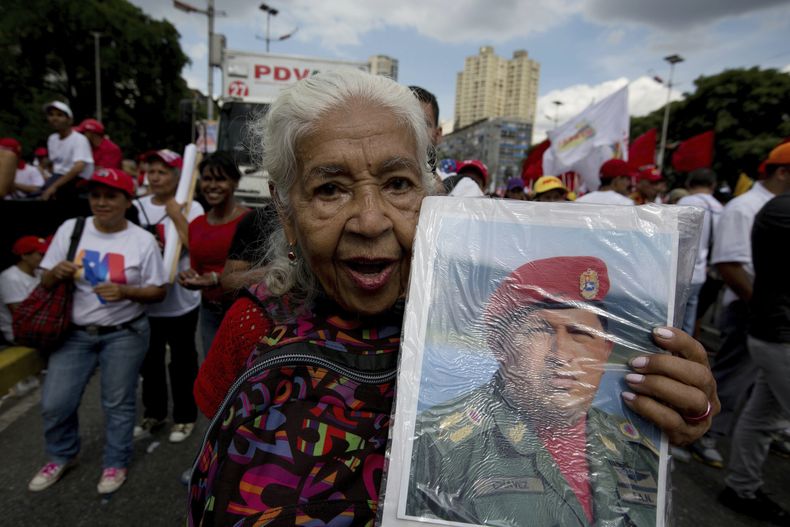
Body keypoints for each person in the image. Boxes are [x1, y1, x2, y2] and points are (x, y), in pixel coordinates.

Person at [186, 69, 718, 527]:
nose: (371, 221)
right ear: (286, 209)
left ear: (431, 191)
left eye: (397, 184)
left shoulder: (460, 315)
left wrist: (666, 419)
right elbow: (215, 469)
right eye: (330, 189)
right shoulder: (250, 326)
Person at [406, 256, 679, 526]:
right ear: (500, 345)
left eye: (580, 333)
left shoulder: (635, 450)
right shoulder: (436, 444)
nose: (561, 354)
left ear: (606, 351)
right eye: (540, 330)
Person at [28, 167, 166, 494]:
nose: (101, 202)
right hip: (75, 334)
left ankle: (115, 462)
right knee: (55, 402)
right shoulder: (71, 229)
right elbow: (44, 280)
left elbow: (159, 290)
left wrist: (126, 292)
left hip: (125, 332)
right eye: (95, 195)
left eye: (110, 196)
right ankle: (62, 454)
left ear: (127, 200)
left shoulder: (142, 240)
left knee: (118, 403)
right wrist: (56, 272)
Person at [691, 142, 790, 467]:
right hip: (752, 309)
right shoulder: (744, 207)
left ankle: (743, 477)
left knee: (758, 394)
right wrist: (760, 305)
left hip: (765, 311)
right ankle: (702, 433)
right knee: (730, 381)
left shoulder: (769, 204)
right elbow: (730, 263)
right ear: (782, 171)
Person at [719, 192, 790, 525]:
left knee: (763, 416)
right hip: (779, 332)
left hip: (773, 328)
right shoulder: (777, 209)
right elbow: (728, 264)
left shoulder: (773, 207)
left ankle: (742, 486)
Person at [133, 150, 204, 442]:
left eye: (162, 172)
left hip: (180, 304)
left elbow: (196, 247)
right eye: (151, 171)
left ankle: (185, 417)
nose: (155, 177)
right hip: (146, 302)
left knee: (182, 360)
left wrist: (177, 216)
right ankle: (154, 413)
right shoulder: (136, 206)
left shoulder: (193, 208)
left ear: (179, 176)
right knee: (149, 360)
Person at [178, 152, 249, 354]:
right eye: (207, 179)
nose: (212, 186)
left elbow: (262, 272)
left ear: (235, 182)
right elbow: (197, 270)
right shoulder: (196, 226)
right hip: (209, 312)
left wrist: (218, 279)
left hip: (241, 311)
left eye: (220, 179)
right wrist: (189, 278)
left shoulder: (249, 222)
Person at [676, 169, 723, 335]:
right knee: (688, 320)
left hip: (679, 270)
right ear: (713, 185)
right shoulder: (718, 207)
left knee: (673, 319)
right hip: (701, 272)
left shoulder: (685, 201)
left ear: (689, 183)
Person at [40, 101, 94, 201]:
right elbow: (55, 164)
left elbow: (79, 167)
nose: (54, 118)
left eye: (60, 115)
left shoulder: (79, 139)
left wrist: (54, 186)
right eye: (51, 115)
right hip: (59, 177)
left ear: (69, 120)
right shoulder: (52, 139)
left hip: (78, 181)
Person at [0, 236, 48, 343]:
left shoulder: (38, 272)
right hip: (20, 333)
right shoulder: (10, 277)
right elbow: (21, 315)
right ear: (24, 255)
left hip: (40, 328)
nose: (45, 257)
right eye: (41, 254)